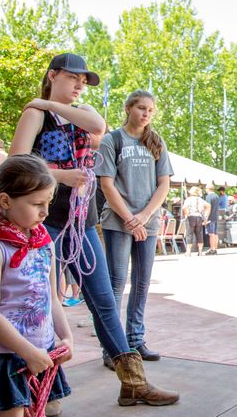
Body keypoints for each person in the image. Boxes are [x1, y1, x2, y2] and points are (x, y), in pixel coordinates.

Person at [10, 53, 178, 406]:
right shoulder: (35, 115)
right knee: (41, 301)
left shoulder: (76, 112)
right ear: (52, 74)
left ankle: (133, 382)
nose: (78, 85)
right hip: (44, 222)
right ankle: (42, 389)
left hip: (81, 223)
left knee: (103, 300)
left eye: (83, 81)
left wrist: (43, 98)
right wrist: (59, 175)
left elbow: (98, 126)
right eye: (73, 78)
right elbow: (17, 164)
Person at [0, 154, 73, 415]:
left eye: (48, 202)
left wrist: (66, 337)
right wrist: (28, 352)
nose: (45, 212)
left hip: (43, 350)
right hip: (7, 355)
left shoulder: (45, 244)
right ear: (6, 201)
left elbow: (53, 298)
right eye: (36, 204)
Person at [97, 90, 173, 362]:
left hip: (147, 223)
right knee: (116, 283)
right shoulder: (112, 140)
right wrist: (130, 218)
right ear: (129, 108)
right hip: (118, 222)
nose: (146, 114)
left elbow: (163, 184)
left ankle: (136, 340)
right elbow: (106, 184)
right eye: (141, 108)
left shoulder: (156, 142)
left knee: (142, 283)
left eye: (150, 110)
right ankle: (113, 348)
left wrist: (144, 216)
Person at [182, 186, 209, 256]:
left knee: (189, 234)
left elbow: (184, 207)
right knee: (199, 234)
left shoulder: (188, 199)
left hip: (190, 217)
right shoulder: (201, 199)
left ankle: (188, 252)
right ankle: (200, 251)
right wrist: (205, 216)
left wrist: (186, 214)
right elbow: (208, 206)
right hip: (199, 217)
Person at [203, 183, 221, 255]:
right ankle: (215, 248)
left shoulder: (209, 197)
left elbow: (208, 208)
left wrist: (205, 218)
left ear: (207, 189)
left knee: (211, 234)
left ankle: (212, 249)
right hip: (215, 216)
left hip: (210, 217)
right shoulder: (217, 196)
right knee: (215, 233)